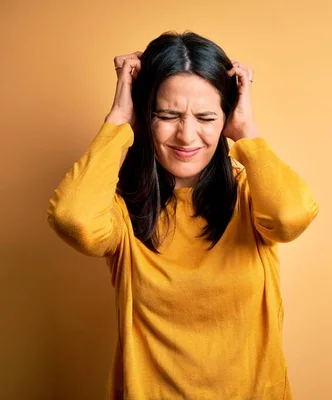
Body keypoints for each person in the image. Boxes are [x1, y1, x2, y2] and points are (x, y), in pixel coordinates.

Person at [46, 31, 318, 400]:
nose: (186, 135)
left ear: (228, 119)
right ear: (146, 118)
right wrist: (119, 119)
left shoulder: (251, 193)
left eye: (206, 117)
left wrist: (248, 134)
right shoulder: (120, 207)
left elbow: (291, 216)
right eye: (167, 115)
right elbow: (72, 219)